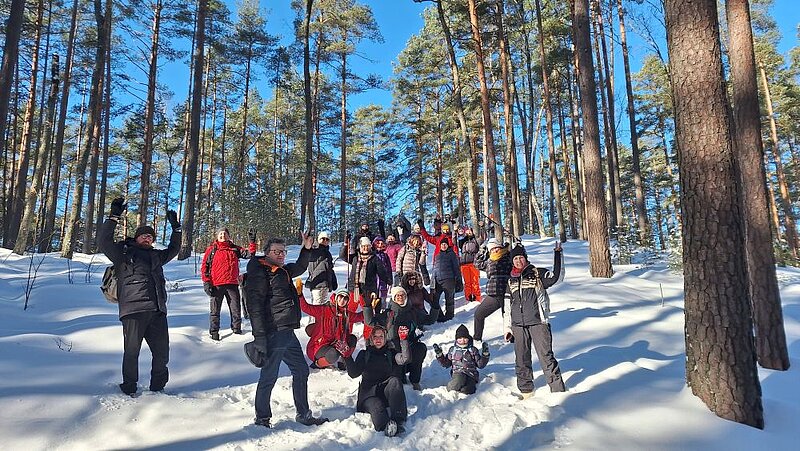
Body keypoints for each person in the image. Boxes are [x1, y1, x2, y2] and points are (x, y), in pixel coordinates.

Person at [98, 197, 181, 396]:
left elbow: (174, 250)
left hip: (157, 311)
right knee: (132, 352)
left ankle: (157, 388)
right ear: (136, 238)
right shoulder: (123, 253)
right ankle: (129, 387)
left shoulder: (156, 256)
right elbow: (103, 241)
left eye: (150, 237)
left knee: (162, 353)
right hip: (133, 310)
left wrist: (176, 229)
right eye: (143, 235)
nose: (147, 238)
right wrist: (113, 217)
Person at [245, 234, 328, 428]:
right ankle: (262, 418)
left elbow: (299, 267)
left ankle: (303, 414)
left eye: (283, 251)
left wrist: (306, 249)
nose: (281, 255)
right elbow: (254, 306)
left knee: (300, 370)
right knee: (269, 375)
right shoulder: (261, 272)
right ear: (267, 253)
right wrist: (259, 337)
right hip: (274, 330)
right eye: (277, 251)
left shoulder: (281, 270)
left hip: (287, 331)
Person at [503, 243, 566, 398]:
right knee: (521, 359)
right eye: (515, 258)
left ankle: (557, 391)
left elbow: (557, 278)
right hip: (518, 325)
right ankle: (526, 391)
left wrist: (558, 254)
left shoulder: (537, 273)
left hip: (538, 322)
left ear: (526, 258)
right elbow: (506, 306)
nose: (518, 261)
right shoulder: (510, 280)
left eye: (521, 257)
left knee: (546, 357)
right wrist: (507, 328)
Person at [345, 324, 411, 437]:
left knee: (395, 381)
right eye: (375, 336)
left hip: (385, 393)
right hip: (368, 396)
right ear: (371, 339)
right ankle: (385, 426)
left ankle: (398, 419)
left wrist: (403, 340)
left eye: (381, 336)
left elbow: (405, 359)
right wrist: (347, 356)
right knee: (377, 404)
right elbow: (353, 373)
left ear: (385, 338)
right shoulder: (364, 354)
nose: (378, 339)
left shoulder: (391, 353)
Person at [367, 285, 435, 391]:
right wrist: (367, 307)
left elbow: (430, 320)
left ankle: (415, 380)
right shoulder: (388, 314)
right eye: (397, 295)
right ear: (394, 298)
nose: (400, 297)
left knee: (420, 348)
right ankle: (399, 378)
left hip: (409, 346)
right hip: (393, 349)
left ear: (406, 297)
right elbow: (370, 322)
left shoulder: (412, 312)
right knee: (399, 379)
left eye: (402, 295)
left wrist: (435, 306)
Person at [200, 227, 257, 340]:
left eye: (225, 234)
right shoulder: (212, 249)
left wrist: (252, 242)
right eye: (220, 234)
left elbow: (250, 254)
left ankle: (236, 330)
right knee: (215, 311)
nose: (223, 236)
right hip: (216, 285)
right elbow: (204, 267)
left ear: (229, 236)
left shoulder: (234, 249)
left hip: (232, 284)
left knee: (235, 309)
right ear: (217, 236)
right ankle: (214, 332)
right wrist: (206, 282)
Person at [299, 287, 362, 369]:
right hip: (318, 346)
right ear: (336, 297)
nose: (342, 300)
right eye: (340, 297)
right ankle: (318, 364)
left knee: (352, 338)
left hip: (334, 344)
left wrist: (369, 307)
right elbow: (306, 308)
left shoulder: (346, 314)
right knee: (334, 353)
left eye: (345, 298)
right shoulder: (323, 309)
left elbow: (359, 317)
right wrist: (300, 295)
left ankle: (343, 362)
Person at [472, 239, 513, 341]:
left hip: (507, 294)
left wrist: (514, 246)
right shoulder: (489, 261)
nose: (494, 250)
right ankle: (477, 338)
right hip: (493, 295)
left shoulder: (508, 257)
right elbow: (477, 264)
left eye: (496, 247)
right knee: (478, 314)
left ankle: (513, 338)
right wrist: (481, 250)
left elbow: (519, 259)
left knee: (508, 317)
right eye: (492, 249)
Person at [433, 324, 490, 395]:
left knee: (470, 389)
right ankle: (451, 388)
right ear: (456, 339)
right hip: (458, 372)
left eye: (465, 338)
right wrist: (440, 355)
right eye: (460, 338)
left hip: (471, 374)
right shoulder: (453, 350)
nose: (462, 340)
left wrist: (485, 355)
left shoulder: (473, 350)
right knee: (460, 379)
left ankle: (462, 390)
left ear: (468, 338)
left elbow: (480, 365)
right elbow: (446, 363)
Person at [432, 237, 463, 322]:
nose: (443, 246)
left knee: (449, 298)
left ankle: (449, 316)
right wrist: (432, 282)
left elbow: (456, 268)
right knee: (434, 298)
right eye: (442, 244)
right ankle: (439, 315)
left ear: (448, 245)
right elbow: (434, 269)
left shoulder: (451, 254)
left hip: (449, 279)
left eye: (445, 244)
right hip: (438, 280)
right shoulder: (437, 256)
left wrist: (459, 280)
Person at [305, 231, 338, 306]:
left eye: (327, 239)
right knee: (317, 308)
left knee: (321, 308)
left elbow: (329, 269)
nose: (325, 241)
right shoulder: (314, 250)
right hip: (317, 283)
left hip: (325, 285)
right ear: (318, 239)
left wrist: (333, 280)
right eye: (323, 239)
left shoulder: (327, 253)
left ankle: (318, 318)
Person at [458, 226, 482, 303]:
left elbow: (482, 238)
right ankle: (468, 297)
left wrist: (482, 228)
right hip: (464, 263)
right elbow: (455, 240)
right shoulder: (462, 241)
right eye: (467, 232)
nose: (468, 233)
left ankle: (477, 297)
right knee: (467, 282)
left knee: (475, 281)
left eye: (470, 231)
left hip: (474, 263)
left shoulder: (476, 240)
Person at [372, 236, 393, 305]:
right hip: (373, 280)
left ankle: (382, 311)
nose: (380, 245)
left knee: (382, 299)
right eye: (378, 243)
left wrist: (390, 279)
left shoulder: (385, 255)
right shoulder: (372, 254)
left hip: (383, 280)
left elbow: (389, 268)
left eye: (382, 243)